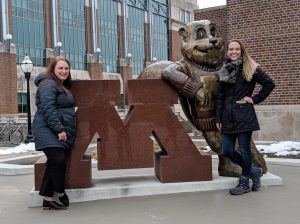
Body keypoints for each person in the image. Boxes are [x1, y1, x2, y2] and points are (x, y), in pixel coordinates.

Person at [215, 39, 275, 195]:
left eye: (237, 49)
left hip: (244, 115)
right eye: (231, 49)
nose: (234, 52)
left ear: (241, 51)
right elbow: (220, 96)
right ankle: (254, 171)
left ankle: (244, 181)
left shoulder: (251, 68)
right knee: (227, 150)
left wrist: (254, 99)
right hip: (227, 116)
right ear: (227, 52)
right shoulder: (224, 70)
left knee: (244, 150)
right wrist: (218, 118)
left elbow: (269, 84)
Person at [32, 57, 76, 209]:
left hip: (56, 129)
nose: (64, 71)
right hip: (47, 128)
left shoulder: (60, 85)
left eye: (66, 68)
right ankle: (61, 192)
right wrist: (59, 129)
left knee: (53, 162)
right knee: (57, 160)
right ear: (53, 69)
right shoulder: (48, 83)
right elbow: (48, 108)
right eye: (60, 68)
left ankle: (48, 199)